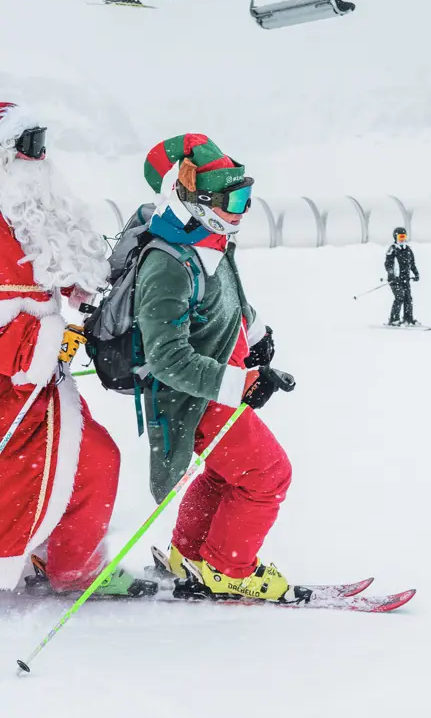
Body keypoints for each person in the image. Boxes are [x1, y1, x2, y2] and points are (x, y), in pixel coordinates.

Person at [0, 102, 156, 598]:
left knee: (94, 465)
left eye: (41, 145)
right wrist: (37, 343)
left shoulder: (19, 206)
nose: (38, 158)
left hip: (42, 391)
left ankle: (72, 565)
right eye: (27, 146)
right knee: (63, 474)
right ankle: (68, 566)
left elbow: (38, 263)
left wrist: (75, 288)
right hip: (12, 398)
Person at [136, 133, 295, 601]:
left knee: (230, 474)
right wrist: (240, 381)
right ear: (197, 199)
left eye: (247, 196)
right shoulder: (167, 263)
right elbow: (166, 357)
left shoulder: (211, 238)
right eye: (234, 200)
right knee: (269, 474)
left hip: (217, 387)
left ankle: (191, 554)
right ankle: (228, 569)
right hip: (196, 397)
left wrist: (259, 338)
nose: (242, 211)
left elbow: (232, 299)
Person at [385, 227, 420, 326]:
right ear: (395, 237)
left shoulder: (407, 249)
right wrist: (392, 273)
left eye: (404, 237)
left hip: (405, 279)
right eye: (400, 237)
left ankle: (408, 318)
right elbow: (388, 264)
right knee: (400, 296)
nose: (402, 239)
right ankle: (393, 319)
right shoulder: (392, 249)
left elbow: (412, 264)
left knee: (408, 298)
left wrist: (416, 273)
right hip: (395, 280)